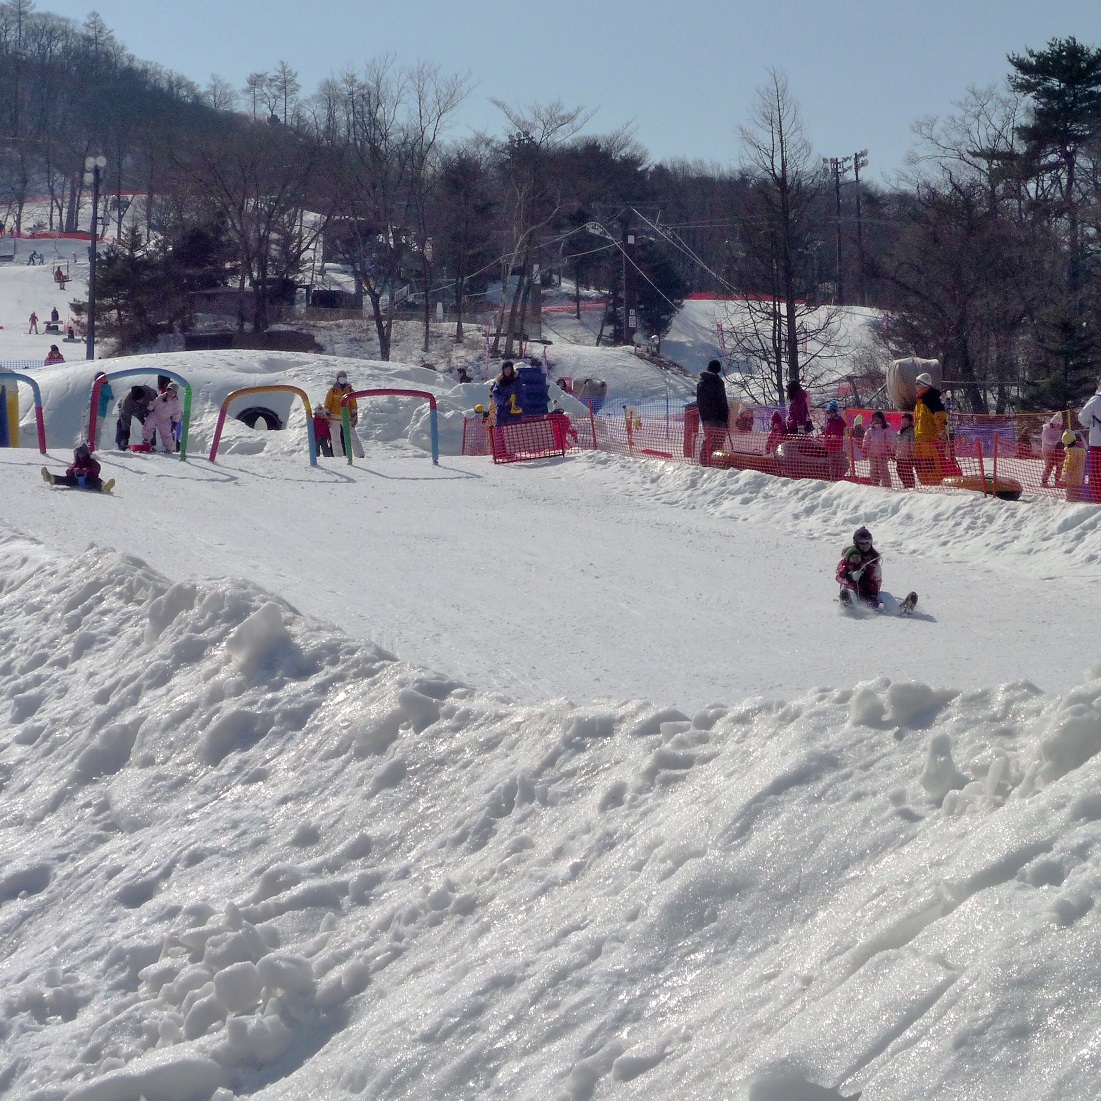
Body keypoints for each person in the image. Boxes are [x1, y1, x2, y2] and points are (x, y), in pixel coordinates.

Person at [913, 372, 950, 484]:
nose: (915, 386)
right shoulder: (920, 401)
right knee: (920, 467)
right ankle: (925, 487)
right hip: (920, 441)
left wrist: (942, 431)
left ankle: (934, 486)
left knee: (931, 467)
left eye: (917, 383)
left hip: (930, 442)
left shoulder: (931, 400)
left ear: (923, 385)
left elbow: (939, 417)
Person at [836, 526, 882, 607]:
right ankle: (847, 602)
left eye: (868, 542)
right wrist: (849, 576)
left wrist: (874, 589)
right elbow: (838, 575)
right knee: (850, 593)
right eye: (862, 543)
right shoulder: (848, 556)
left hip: (868, 592)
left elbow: (878, 579)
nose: (865, 545)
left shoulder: (873, 559)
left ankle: (899, 608)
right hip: (852, 589)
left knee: (885, 597)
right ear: (856, 543)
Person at [695, 359, 729, 466]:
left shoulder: (701, 383)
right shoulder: (718, 382)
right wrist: (725, 417)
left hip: (705, 417)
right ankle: (715, 461)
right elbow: (721, 401)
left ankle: (704, 460)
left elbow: (700, 402)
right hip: (718, 417)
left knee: (708, 438)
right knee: (718, 440)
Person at [41, 444, 113, 493]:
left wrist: (87, 470)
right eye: (80, 455)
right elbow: (69, 471)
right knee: (67, 479)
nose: (81, 456)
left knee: (95, 480)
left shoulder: (91, 461)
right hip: (76, 480)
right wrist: (73, 470)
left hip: (89, 479)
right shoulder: (76, 463)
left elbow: (97, 468)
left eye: (83, 454)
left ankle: (104, 487)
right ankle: (51, 478)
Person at [323, 370, 361, 457]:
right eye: (340, 377)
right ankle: (338, 455)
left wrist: (354, 413)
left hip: (346, 416)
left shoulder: (350, 390)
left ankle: (359, 455)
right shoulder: (333, 390)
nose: (342, 378)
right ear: (337, 378)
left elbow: (353, 403)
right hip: (334, 417)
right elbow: (327, 402)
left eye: (344, 377)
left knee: (352, 435)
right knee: (335, 437)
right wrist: (327, 412)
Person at [1077, 382, 1101, 503]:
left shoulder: (1095, 400)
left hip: (1097, 443)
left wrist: (1092, 425)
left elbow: (1082, 418)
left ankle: (1098, 500)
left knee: (1096, 473)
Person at [142, 383, 181, 453]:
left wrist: (175, 422)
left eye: (173, 392)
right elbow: (154, 403)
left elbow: (176, 413)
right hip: (155, 414)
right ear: (167, 390)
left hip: (165, 419)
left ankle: (169, 448)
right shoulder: (161, 397)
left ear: (175, 393)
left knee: (166, 434)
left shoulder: (175, 402)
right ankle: (146, 440)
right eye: (170, 391)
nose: (171, 394)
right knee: (148, 425)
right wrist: (149, 408)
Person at [116, 383, 157, 449]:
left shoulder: (149, 392)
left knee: (150, 423)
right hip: (129, 409)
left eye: (141, 399)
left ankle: (151, 443)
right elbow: (125, 419)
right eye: (138, 400)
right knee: (122, 423)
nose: (140, 401)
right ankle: (122, 443)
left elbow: (157, 400)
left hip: (144, 408)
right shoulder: (127, 402)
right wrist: (125, 434)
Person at [864, 410, 893, 488]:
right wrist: (865, 448)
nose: (876, 420)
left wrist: (889, 449)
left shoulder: (885, 429)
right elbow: (866, 439)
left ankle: (886, 485)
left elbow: (889, 440)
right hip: (872, 453)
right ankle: (875, 483)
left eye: (878, 419)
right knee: (873, 469)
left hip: (882, 453)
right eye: (874, 419)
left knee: (883, 469)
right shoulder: (870, 430)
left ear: (882, 419)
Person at [491, 361, 524, 425]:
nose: (507, 371)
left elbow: (521, 393)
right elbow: (495, 395)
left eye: (509, 369)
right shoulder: (499, 381)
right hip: (501, 412)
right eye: (506, 369)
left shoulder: (517, 380)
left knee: (513, 430)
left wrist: (517, 404)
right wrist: (504, 401)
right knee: (500, 431)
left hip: (514, 411)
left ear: (512, 369)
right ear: (503, 370)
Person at [822, 400, 848, 480]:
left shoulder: (840, 421)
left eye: (832, 412)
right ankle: (833, 476)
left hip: (838, 445)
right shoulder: (829, 422)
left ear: (836, 411)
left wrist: (840, 436)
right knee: (832, 462)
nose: (831, 414)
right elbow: (827, 433)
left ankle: (839, 476)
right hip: (831, 446)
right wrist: (826, 442)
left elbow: (844, 431)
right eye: (829, 412)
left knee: (838, 461)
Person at [1040, 413, 1066, 488]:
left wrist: (1060, 443)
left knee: (1059, 466)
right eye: (1057, 425)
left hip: (1056, 450)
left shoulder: (1058, 430)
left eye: (1059, 426)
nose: (1058, 427)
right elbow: (1046, 439)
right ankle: (1044, 481)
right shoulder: (1046, 429)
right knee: (1049, 466)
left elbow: (1059, 438)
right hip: (1047, 450)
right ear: (1054, 423)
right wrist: (1055, 442)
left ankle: (1057, 481)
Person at [1062, 429, 1086, 503]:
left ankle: (1070, 501)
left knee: (1070, 491)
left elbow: (1070, 464)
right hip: (1079, 475)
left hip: (1071, 476)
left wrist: (1065, 475)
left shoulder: (1071, 453)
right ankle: (1077, 500)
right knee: (1077, 490)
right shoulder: (1081, 450)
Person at [894, 412, 916, 488]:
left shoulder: (911, 431)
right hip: (899, 455)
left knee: (907, 471)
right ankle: (906, 484)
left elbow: (912, 443)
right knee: (899, 470)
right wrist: (893, 451)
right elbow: (895, 443)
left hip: (907, 456)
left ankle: (910, 485)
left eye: (906, 421)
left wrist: (912, 453)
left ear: (910, 422)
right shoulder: (899, 432)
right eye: (902, 421)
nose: (903, 423)